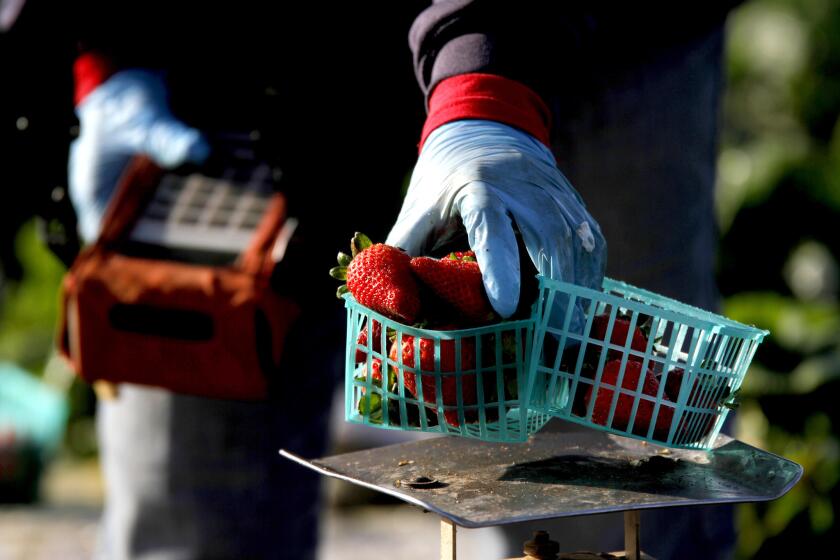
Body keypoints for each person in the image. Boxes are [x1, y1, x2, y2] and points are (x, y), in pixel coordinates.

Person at [388, 2, 738, 558]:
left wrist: (475, 83)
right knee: (501, 454)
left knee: (651, 461)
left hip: (630, 43)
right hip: (439, 53)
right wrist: (468, 87)